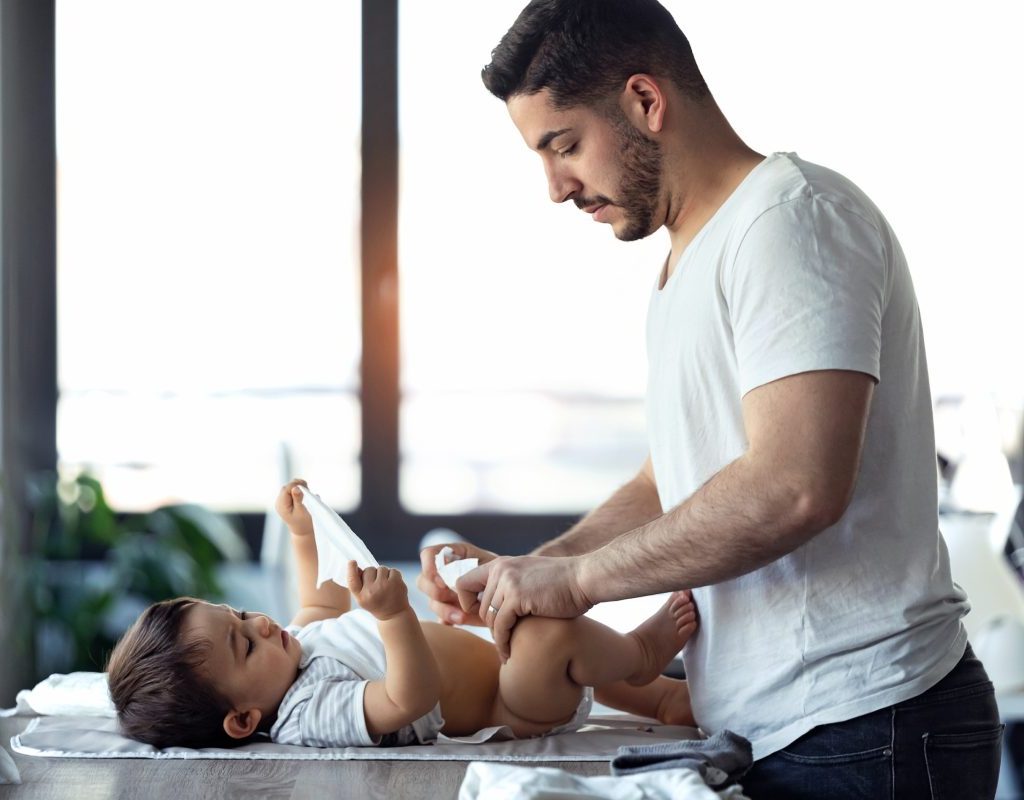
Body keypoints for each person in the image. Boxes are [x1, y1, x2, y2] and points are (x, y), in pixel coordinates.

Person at [416, 1, 1003, 797]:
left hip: (870, 727)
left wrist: (582, 584)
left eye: (565, 145)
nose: (555, 188)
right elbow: (678, 481)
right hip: (790, 731)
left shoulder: (791, 220)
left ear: (644, 102)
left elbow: (795, 485)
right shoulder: (689, 262)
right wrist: (540, 568)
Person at [105, 479, 697, 750]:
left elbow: (321, 601)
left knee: (519, 617)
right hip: (514, 704)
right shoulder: (306, 712)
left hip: (499, 661)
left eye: (237, 614)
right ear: (241, 719)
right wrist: (393, 617)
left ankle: (663, 701)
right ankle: (642, 655)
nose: (260, 625)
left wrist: (304, 535)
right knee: (543, 635)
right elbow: (405, 700)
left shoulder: (295, 649)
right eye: (244, 645)